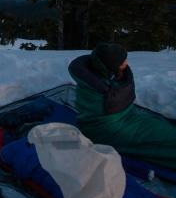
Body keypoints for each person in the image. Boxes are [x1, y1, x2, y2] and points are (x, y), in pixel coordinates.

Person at [68, 42, 176, 170]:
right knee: (166, 139)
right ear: (110, 65)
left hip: (123, 118)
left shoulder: (100, 76)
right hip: (106, 129)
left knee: (163, 127)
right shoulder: (100, 88)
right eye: (122, 60)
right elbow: (100, 111)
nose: (126, 62)